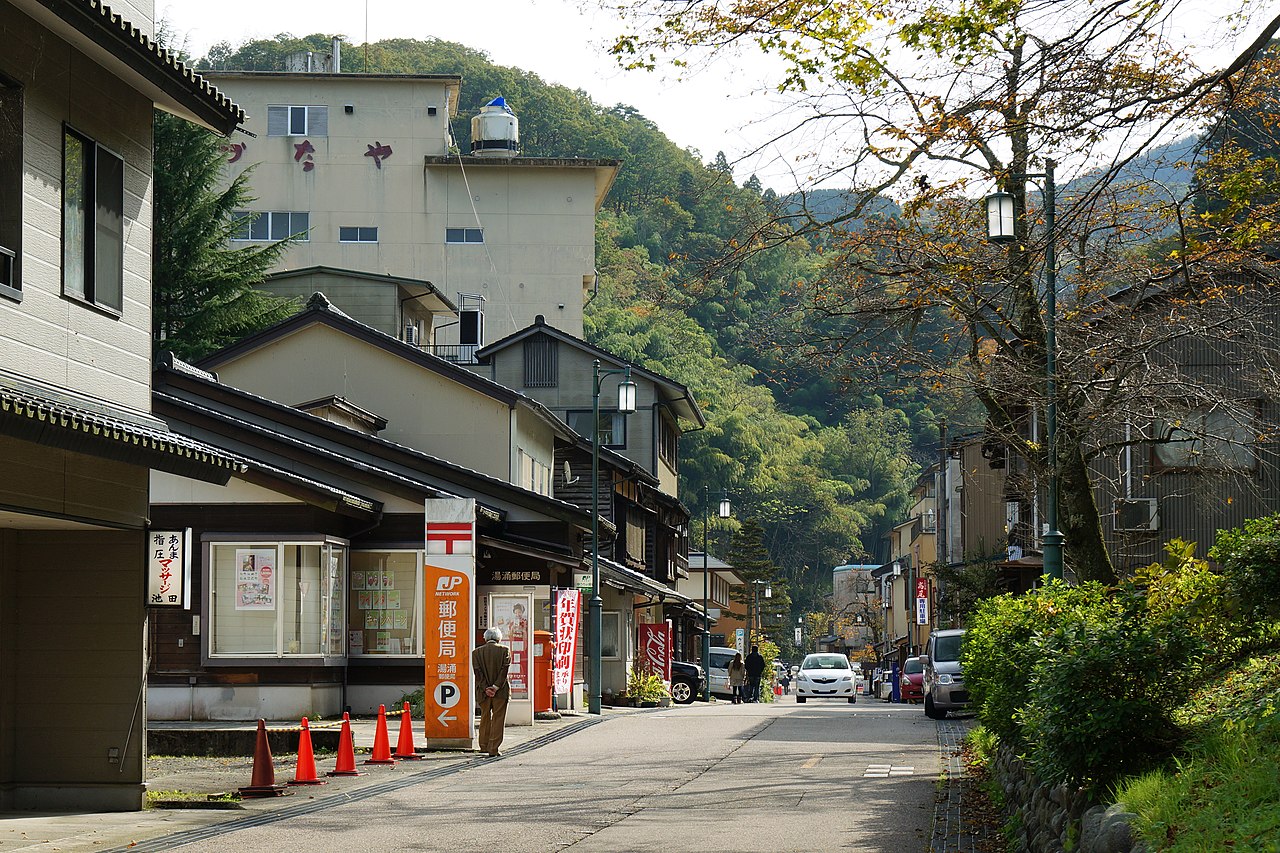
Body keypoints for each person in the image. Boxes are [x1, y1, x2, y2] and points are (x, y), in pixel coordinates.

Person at [472, 626, 511, 757]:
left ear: (485, 638)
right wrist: (495, 687)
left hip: (483, 692)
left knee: (484, 717)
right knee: (498, 719)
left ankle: (483, 746)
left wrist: (486, 688)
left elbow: (477, 673)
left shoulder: (476, 652)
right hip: (500, 691)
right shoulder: (505, 650)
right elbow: (504, 671)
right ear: (499, 638)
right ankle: (493, 748)